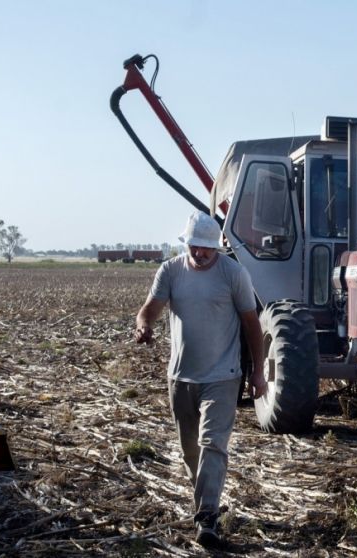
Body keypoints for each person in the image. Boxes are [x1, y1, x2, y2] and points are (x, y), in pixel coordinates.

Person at [134, 211, 266, 548]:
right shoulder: (171, 271)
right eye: (195, 246)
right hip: (181, 377)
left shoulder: (234, 274)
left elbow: (252, 324)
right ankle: (206, 502)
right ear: (187, 243)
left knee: (212, 444)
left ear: (217, 247)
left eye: (207, 247)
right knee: (190, 451)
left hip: (223, 376)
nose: (200, 253)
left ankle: (208, 517)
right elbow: (149, 309)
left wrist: (258, 372)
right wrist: (144, 326)